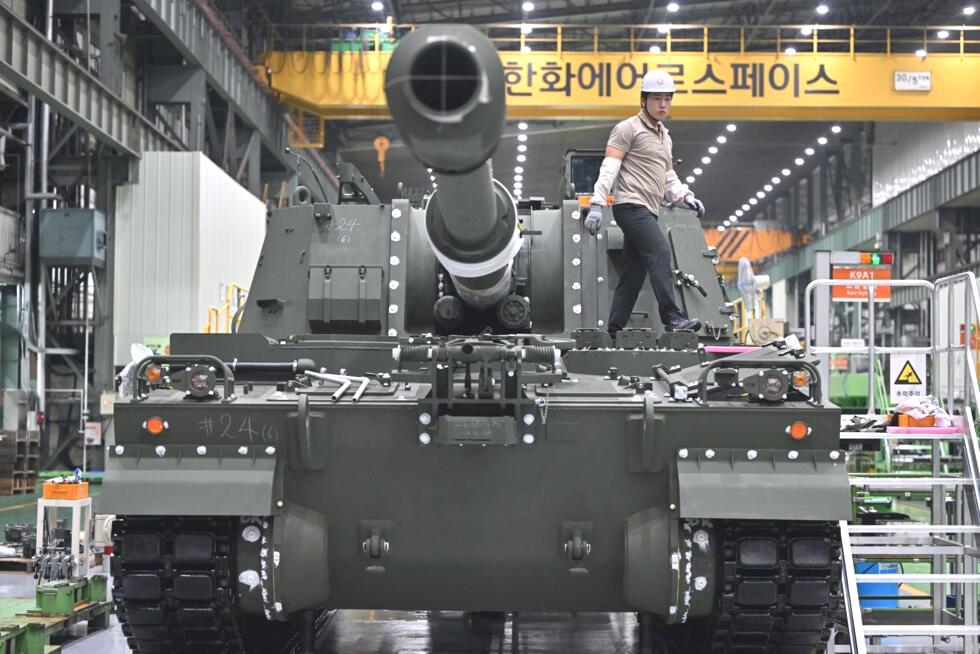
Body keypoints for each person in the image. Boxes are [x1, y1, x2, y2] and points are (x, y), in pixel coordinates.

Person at [584, 69, 705, 334]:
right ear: (643, 99)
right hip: (630, 205)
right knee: (660, 251)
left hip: (649, 210)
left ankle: (614, 329)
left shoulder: (664, 136)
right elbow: (610, 167)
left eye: (667, 99)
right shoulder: (627, 129)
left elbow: (668, 176)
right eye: (657, 98)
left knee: (633, 274)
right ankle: (672, 317)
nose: (663, 104)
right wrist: (597, 203)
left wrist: (686, 197)